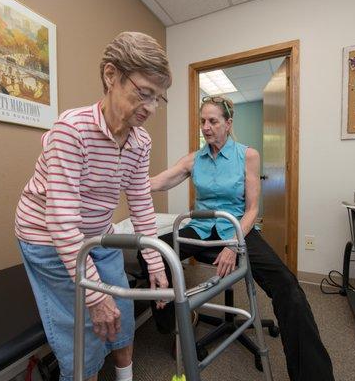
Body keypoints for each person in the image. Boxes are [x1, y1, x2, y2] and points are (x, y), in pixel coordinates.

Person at [138, 95, 335, 381]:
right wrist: (122, 177)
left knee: (287, 286)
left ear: (228, 124)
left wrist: (233, 244)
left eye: (213, 121)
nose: (206, 127)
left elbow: (253, 209)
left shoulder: (248, 155)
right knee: (153, 252)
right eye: (203, 121)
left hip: (237, 229)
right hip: (201, 229)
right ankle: (174, 323)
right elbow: (158, 181)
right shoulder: (194, 159)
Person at [15, 31, 171, 381]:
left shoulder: (140, 141)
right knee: (85, 331)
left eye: (159, 98)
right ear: (111, 75)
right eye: (144, 93)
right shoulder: (72, 131)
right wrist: (96, 297)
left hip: (98, 236)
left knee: (123, 311)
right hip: (48, 238)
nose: (151, 107)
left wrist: (154, 261)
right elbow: (61, 224)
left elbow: (141, 200)